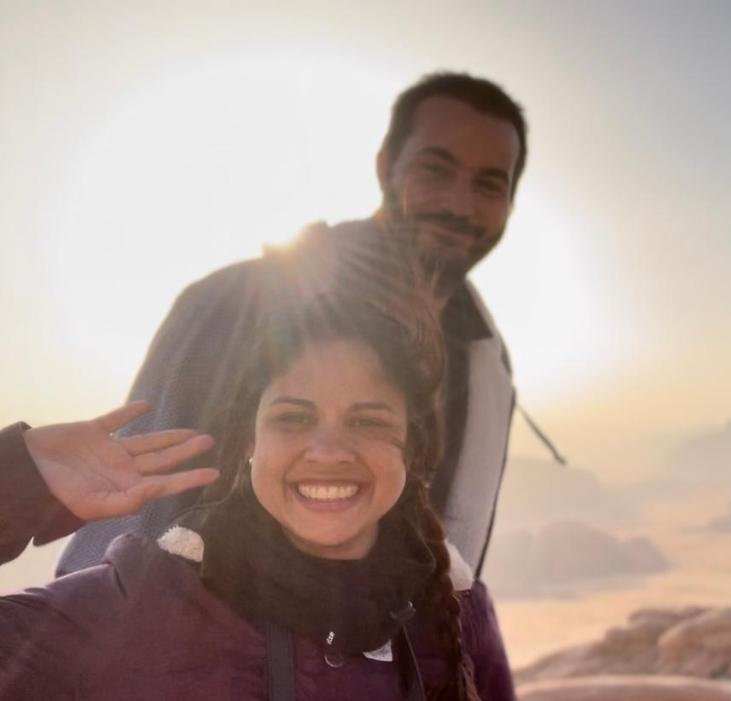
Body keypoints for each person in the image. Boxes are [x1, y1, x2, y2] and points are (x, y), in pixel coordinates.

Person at [58, 71, 528, 577]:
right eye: (435, 170)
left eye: (488, 185)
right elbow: (123, 534)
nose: (459, 205)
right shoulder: (232, 305)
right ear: (385, 166)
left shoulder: (486, 360)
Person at [1, 294, 515, 700]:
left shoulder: (457, 607)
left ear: (412, 447)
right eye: (293, 417)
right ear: (249, 442)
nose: (329, 451)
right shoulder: (150, 599)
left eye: (367, 421)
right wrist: (15, 482)